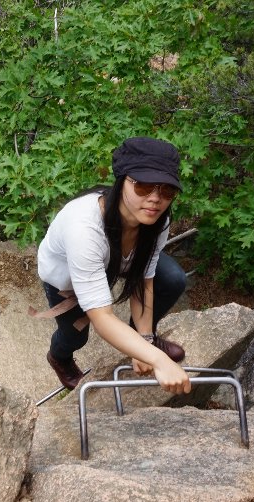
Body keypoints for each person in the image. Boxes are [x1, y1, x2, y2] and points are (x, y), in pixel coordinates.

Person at [33, 136, 191, 395]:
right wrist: (159, 360)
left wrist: (146, 342)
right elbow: (101, 317)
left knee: (172, 278)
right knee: (75, 335)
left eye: (167, 190)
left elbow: (143, 278)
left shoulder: (156, 220)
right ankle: (58, 357)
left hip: (117, 259)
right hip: (67, 278)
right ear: (122, 181)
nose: (155, 199)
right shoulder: (84, 227)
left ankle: (137, 343)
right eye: (143, 186)